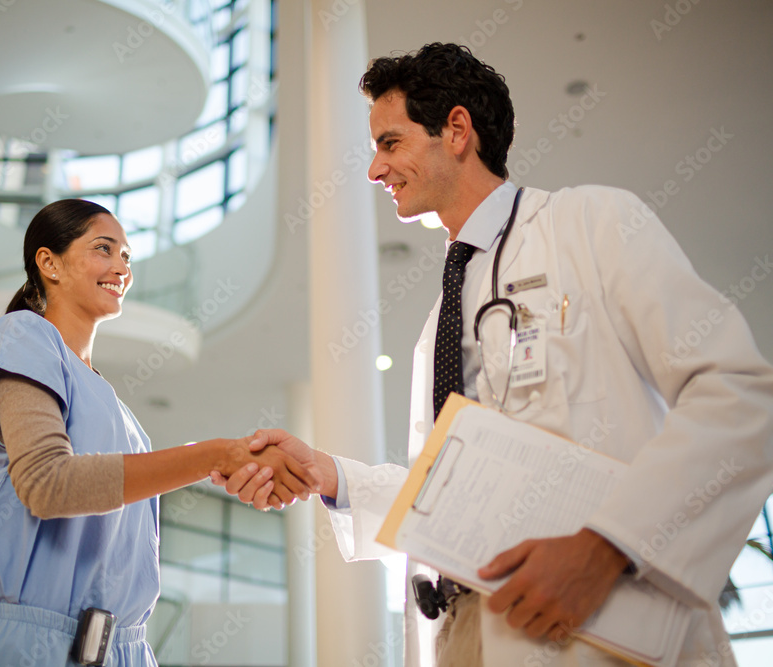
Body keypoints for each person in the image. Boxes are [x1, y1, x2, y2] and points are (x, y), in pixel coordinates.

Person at [216, 43, 773, 666]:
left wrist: (610, 545)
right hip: (467, 632)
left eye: (390, 143)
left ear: (456, 130)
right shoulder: (442, 317)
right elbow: (450, 490)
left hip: (597, 621)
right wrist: (331, 474)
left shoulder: (589, 225)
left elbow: (738, 391)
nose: (375, 170)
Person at [0, 199, 317, 667]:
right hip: (30, 647)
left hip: (122, 650)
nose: (121, 268)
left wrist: (247, 463)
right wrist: (216, 455)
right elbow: (47, 484)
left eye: (127, 256)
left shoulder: (116, 408)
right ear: (49, 262)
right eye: (104, 249)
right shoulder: (23, 337)